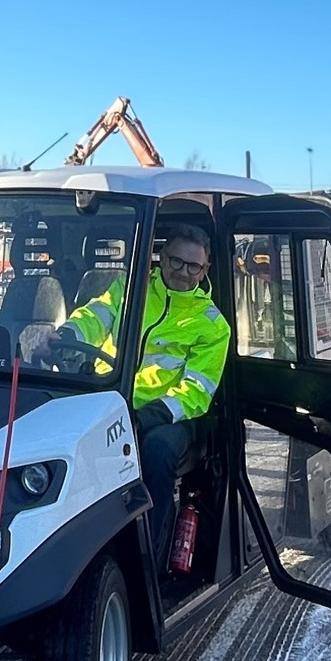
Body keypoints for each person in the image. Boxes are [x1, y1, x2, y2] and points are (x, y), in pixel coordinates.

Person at [47, 222, 229, 573]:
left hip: (169, 418)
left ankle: (151, 559)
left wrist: (147, 416)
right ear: (161, 257)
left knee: (156, 450)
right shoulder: (131, 289)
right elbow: (94, 317)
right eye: (176, 261)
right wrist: (67, 332)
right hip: (111, 399)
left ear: (205, 270)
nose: (183, 272)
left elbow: (196, 392)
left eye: (193, 266)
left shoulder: (212, 324)